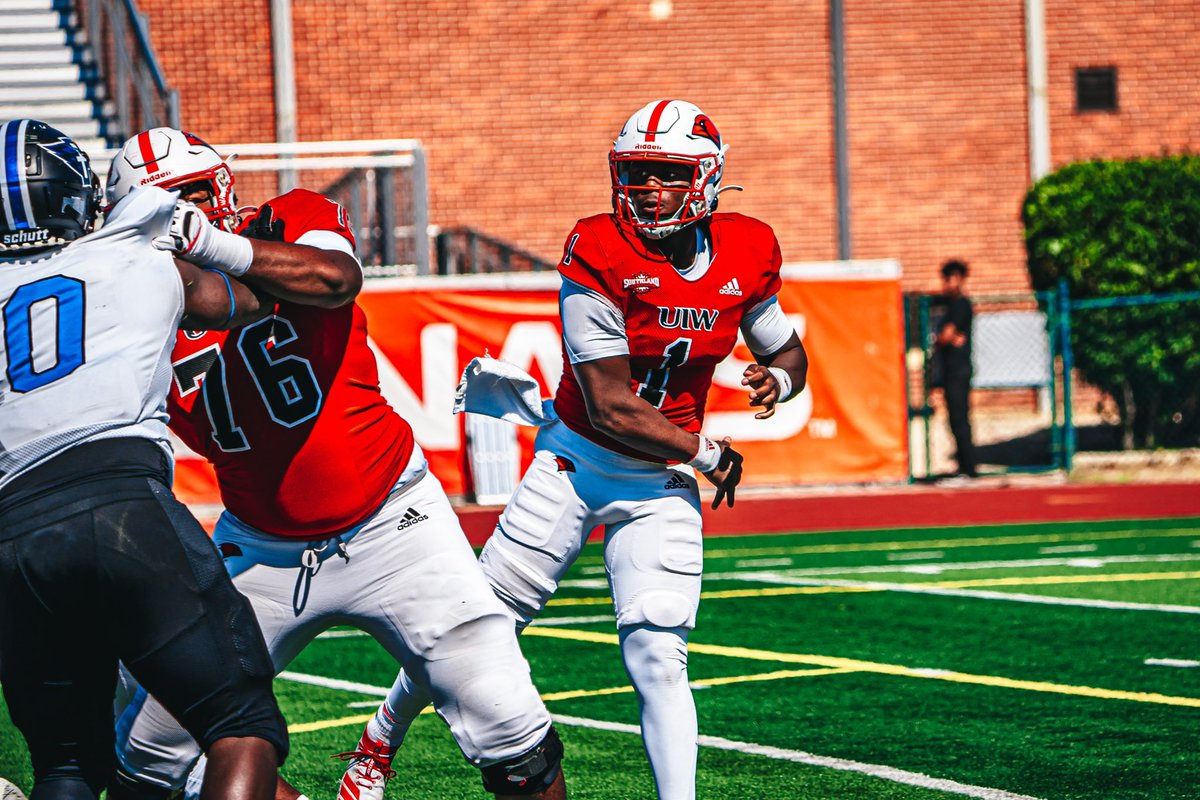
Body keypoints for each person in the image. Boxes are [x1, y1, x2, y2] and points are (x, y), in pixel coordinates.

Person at [344, 99, 809, 800]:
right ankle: (377, 744)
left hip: (657, 484)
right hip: (577, 462)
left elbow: (789, 352)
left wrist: (776, 377)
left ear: (708, 177)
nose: (647, 188)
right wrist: (708, 452)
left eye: (666, 173)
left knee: (660, 656)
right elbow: (609, 404)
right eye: (636, 172)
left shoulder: (749, 248)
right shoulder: (598, 247)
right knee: (480, 625)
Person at [102, 128, 567, 800]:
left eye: (195, 200)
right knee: (151, 754)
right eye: (165, 208)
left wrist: (203, 241)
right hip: (258, 545)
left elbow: (335, 279)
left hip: (394, 523)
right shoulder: (125, 312)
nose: (185, 221)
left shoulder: (288, 219)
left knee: (512, 732)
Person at [0, 119, 286, 799]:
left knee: (66, 768)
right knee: (241, 725)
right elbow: (249, 298)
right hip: (119, 501)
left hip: (12, 536)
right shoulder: (139, 247)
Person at [934, 258, 976, 477]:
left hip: (959, 370)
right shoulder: (947, 306)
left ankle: (968, 468)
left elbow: (946, 335)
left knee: (960, 419)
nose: (947, 284)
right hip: (950, 370)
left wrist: (941, 338)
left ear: (959, 279)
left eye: (950, 278)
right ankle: (964, 466)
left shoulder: (961, 305)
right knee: (953, 419)